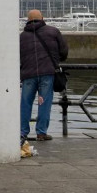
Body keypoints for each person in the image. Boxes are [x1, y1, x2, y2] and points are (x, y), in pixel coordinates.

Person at [19, 9, 68, 142]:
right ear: (42, 18)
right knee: (44, 103)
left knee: (25, 103)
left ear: (27, 21)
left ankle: (22, 132)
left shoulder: (22, 36)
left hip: (28, 74)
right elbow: (64, 51)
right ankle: (41, 133)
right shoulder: (53, 31)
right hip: (47, 73)